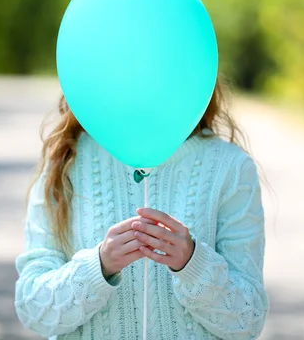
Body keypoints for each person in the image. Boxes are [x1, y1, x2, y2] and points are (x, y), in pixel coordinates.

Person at [14, 78, 269, 340]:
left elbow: (248, 321)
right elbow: (33, 309)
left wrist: (194, 265)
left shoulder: (231, 167)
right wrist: (98, 267)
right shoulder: (67, 160)